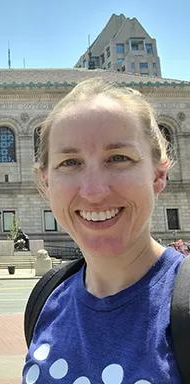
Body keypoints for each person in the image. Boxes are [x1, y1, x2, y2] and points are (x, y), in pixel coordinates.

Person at [23, 78, 186, 383]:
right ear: (47, 182)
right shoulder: (45, 302)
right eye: (70, 162)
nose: (94, 191)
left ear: (158, 175)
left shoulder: (183, 306)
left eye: (118, 158)